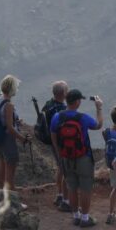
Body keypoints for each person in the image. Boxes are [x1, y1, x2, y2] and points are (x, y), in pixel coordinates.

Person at [50, 88, 103, 227]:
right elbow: (98, 125)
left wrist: (60, 152)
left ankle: (75, 216)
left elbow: (53, 136)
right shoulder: (83, 117)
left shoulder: (57, 117)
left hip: (66, 157)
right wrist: (99, 109)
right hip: (83, 157)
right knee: (86, 188)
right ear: (78, 101)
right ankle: (85, 218)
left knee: (72, 187)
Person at [0, 75, 30, 204]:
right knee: (11, 167)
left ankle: (0, 192)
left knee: (2, 163)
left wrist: (15, 120)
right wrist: (22, 139)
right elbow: (9, 127)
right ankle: (12, 200)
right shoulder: (8, 104)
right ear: (12, 88)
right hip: (8, 138)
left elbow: (3, 118)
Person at [41, 80, 71, 212]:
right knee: (65, 169)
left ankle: (59, 194)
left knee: (60, 167)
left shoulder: (48, 104)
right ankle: (65, 199)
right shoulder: (61, 109)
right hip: (61, 142)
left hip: (52, 141)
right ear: (63, 93)